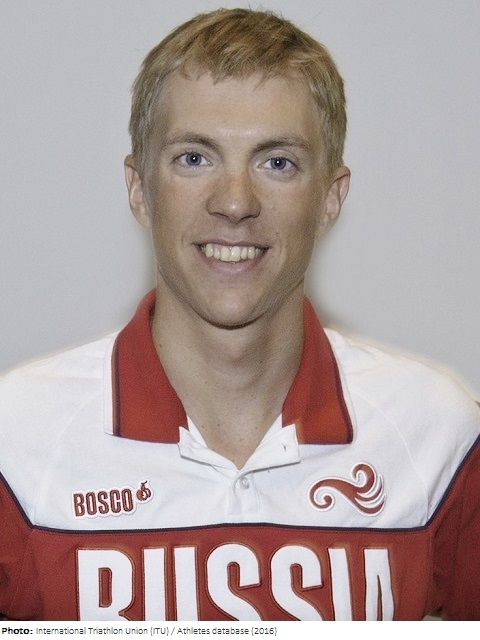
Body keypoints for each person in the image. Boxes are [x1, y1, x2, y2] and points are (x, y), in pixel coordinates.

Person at [0, 7, 479, 622]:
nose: (234, 202)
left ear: (330, 198)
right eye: (194, 158)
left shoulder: (437, 433)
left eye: (277, 162)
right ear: (140, 189)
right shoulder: (18, 445)